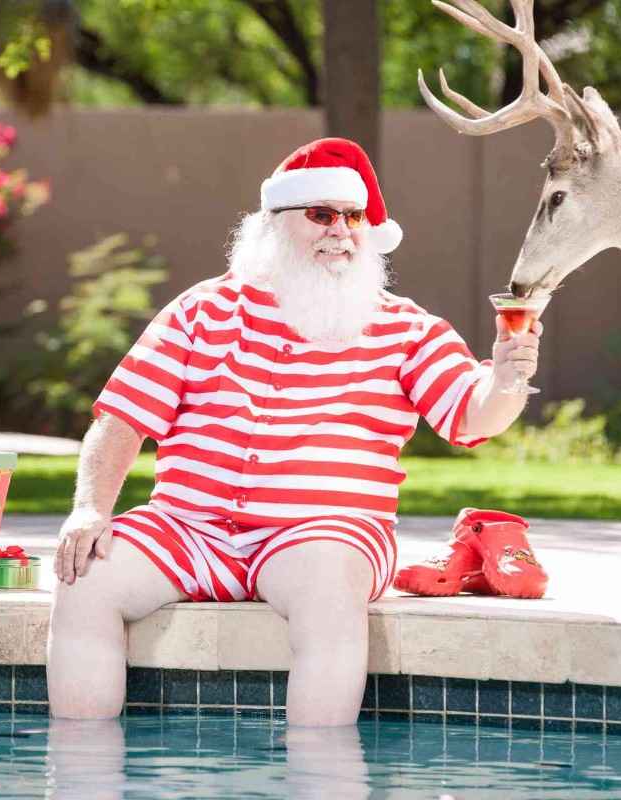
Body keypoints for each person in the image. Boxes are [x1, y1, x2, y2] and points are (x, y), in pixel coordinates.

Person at [46, 138, 542, 726]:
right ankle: (81, 773)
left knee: (329, 586)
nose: (341, 230)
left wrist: (507, 381)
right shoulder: (201, 310)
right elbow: (122, 417)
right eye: (321, 214)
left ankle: (319, 780)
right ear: (274, 226)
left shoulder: (407, 327)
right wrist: (89, 510)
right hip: (188, 526)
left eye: (353, 217)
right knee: (85, 578)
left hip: (323, 533)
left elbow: (470, 414)